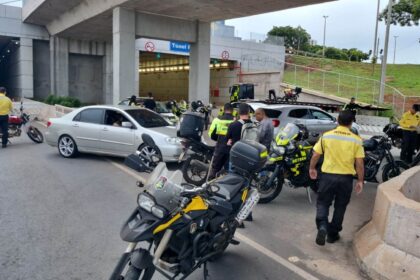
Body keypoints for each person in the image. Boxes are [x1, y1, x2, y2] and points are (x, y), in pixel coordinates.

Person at [309, 110, 365, 246]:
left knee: (323, 203)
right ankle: (332, 235)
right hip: (345, 179)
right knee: (340, 207)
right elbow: (359, 163)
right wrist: (360, 180)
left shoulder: (326, 136)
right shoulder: (356, 140)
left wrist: (311, 168)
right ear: (351, 123)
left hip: (327, 177)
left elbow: (316, 155)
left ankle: (322, 226)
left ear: (338, 120)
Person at [208, 103, 235, 179]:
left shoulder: (217, 119)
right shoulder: (235, 120)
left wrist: (219, 139)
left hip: (220, 148)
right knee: (228, 171)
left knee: (214, 169)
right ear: (232, 111)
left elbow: (211, 135)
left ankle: (210, 185)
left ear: (224, 110)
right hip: (230, 149)